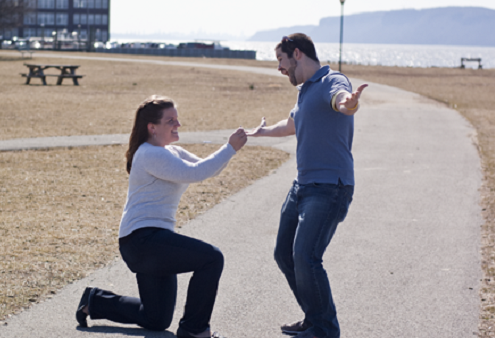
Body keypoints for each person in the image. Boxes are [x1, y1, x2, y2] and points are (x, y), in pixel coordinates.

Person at [75, 95, 247, 338]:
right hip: (143, 241)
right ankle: (194, 330)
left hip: (151, 242)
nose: (178, 125)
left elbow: (207, 168)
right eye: (171, 121)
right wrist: (230, 148)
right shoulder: (149, 154)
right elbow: (197, 172)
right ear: (152, 128)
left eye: (177, 119)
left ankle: (94, 302)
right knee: (211, 258)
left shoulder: (170, 151)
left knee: (155, 318)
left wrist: (232, 150)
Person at [246, 33, 367, 338]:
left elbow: (342, 101)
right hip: (302, 187)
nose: (279, 68)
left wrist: (349, 104)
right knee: (284, 254)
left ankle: (325, 329)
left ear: (297, 54)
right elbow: (291, 124)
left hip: (329, 188)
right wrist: (261, 132)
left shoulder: (332, 82)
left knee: (306, 256)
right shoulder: (306, 91)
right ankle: (315, 318)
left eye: (281, 60)